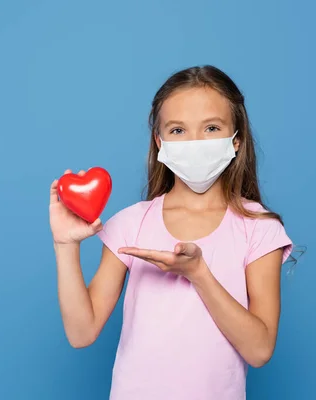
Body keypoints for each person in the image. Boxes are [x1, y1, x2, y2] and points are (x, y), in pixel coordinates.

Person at [49, 65, 294, 400]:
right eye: (178, 130)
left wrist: (198, 274)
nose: (194, 142)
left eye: (211, 127)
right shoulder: (130, 223)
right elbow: (81, 332)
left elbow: (260, 350)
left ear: (236, 140)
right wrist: (65, 245)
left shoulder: (260, 228)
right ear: (159, 141)